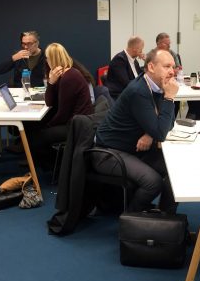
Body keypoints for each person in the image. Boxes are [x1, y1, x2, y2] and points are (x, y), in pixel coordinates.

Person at [92, 49, 179, 214]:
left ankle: (166, 219)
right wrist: (169, 98)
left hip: (132, 148)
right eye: (167, 66)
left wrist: (149, 132)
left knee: (174, 170)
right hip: (108, 152)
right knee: (153, 182)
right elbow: (161, 132)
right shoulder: (139, 91)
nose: (172, 72)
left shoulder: (156, 86)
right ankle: (131, 221)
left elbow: (169, 124)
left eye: (173, 67)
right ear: (151, 67)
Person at [25, 43, 94, 167]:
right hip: (75, 121)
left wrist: (48, 126)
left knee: (37, 136)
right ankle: (45, 163)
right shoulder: (65, 74)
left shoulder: (69, 77)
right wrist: (51, 82)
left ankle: (49, 166)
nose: (46, 60)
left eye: (47, 58)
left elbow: (63, 113)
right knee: (33, 126)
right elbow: (50, 102)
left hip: (77, 126)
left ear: (53, 59)